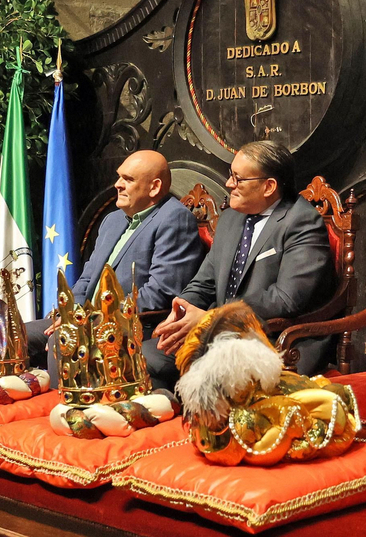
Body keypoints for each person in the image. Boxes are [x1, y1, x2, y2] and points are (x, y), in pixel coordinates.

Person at [152, 139, 335, 381]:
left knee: (204, 374)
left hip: (272, 341)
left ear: (269, 186)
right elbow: (204, 283)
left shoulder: (301, 222)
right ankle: (167, 405)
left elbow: (285, 299)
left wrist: (212, 317)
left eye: (238, 179)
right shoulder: (230, 219)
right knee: (146, 357)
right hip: (219, 336)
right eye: (231, 175)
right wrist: (182, 311)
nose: (228, 184)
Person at [26, 150, 205, 388]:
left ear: (154, 187)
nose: (117, 185)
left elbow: (160, 293)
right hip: (85, 318)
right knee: (11, 331)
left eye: (128, 179)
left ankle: (68, 412)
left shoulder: (174, 219)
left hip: (129, 328)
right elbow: (87, 278)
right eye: (119, 177)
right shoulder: (113, 220)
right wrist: (72, 313)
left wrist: (89, 319)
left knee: (63, 339)